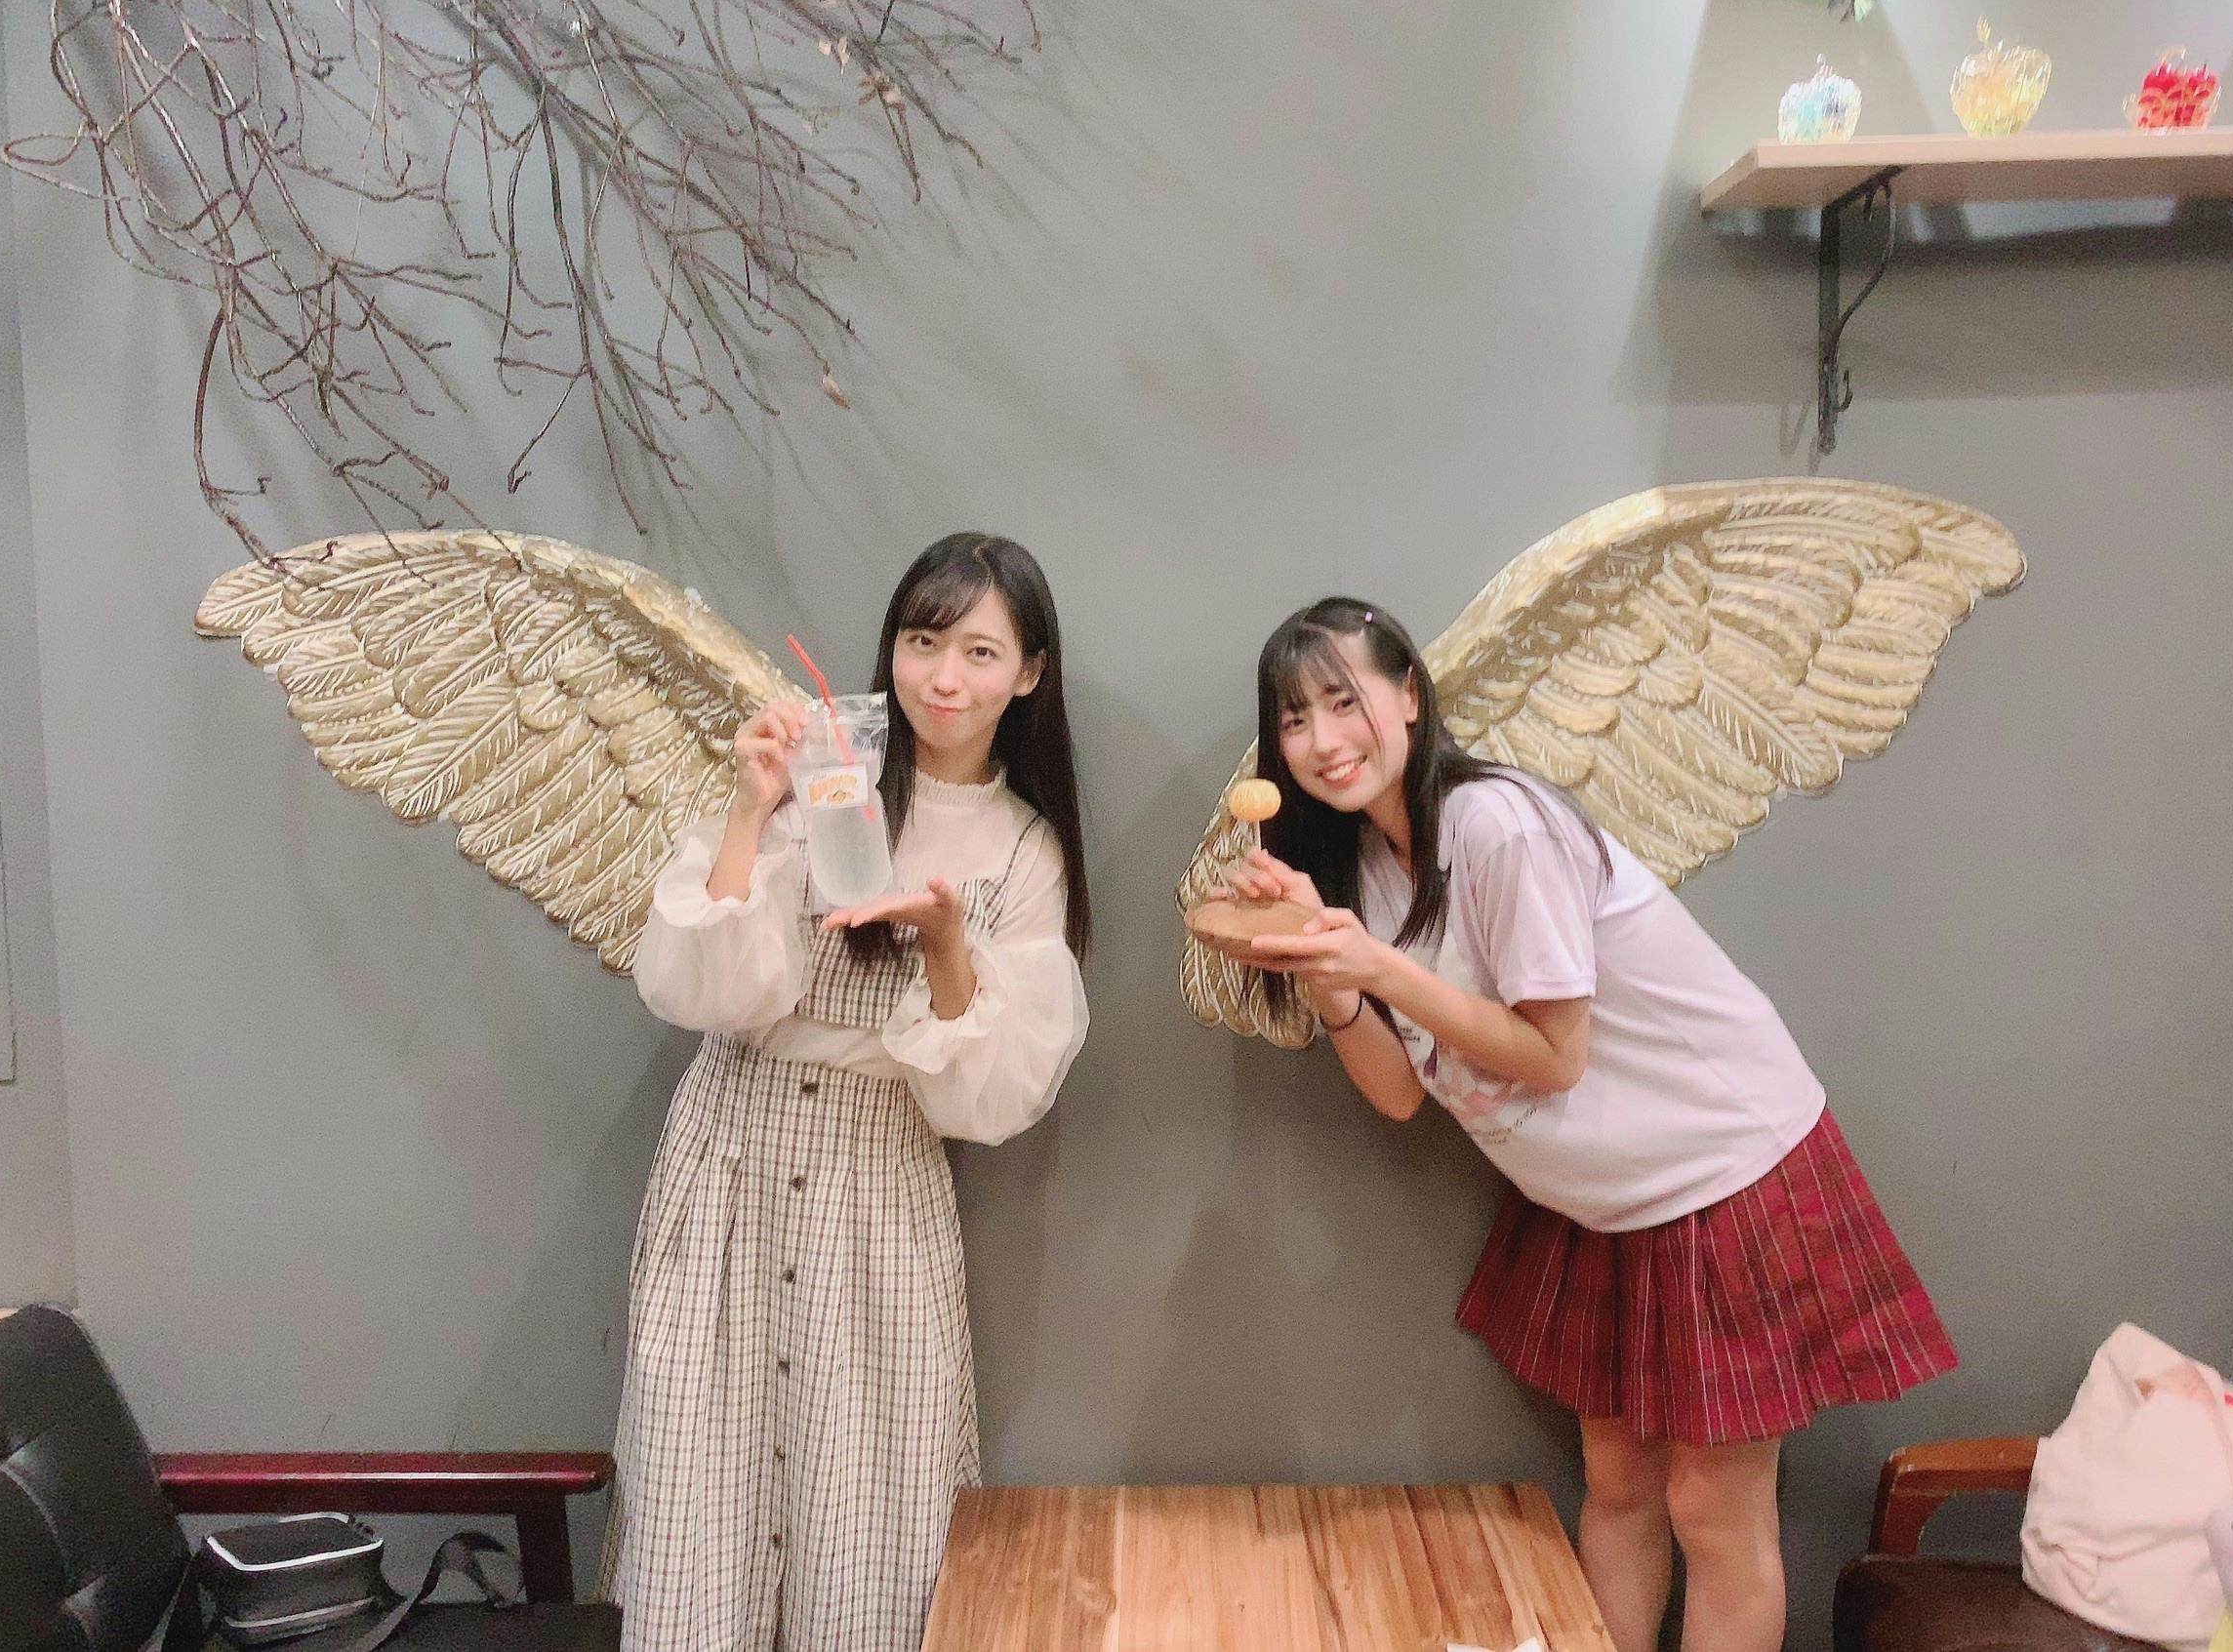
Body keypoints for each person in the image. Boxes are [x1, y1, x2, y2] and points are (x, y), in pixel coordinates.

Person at [1221, 595, 1954, 1652]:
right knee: (1618, 1484)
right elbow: (1399, 1094)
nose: (1324, 740)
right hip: (1599, 1202)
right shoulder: (1365, 867)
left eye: (1344, 701)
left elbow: (1554, 1054)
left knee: (1713, 1509)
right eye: (1294, 719)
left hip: (1720, 1169)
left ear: (1411, 695)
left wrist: (1376, 965)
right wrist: (1329, 972)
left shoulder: (1498, 826)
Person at [602, 534, 1092, 1652]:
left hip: (880, 1179)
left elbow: (992, 1098)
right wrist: (750, 806)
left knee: (868, 1508)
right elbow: (703, 990)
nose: (944, 678)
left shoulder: (1024, 851)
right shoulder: (828, 773)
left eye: (980, 652)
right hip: (728, 1154)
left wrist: (946, 942)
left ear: (1029, 673)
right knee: (697, 1487)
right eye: (923, 642)